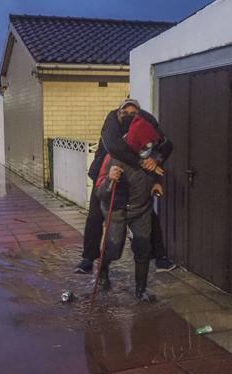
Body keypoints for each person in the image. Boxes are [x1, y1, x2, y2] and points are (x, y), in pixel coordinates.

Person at [75, 99, 175, 274]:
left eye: (133, 113)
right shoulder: (111, 121)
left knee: (147, 214)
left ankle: (159, 256)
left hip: (136, 176)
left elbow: (165, 144)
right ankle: (88, 258)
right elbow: (115, 148)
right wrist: (143, 162)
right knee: (95, 216)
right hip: (108, 172)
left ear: (139, 113)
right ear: (119, 112)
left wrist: (155, 160)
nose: (129, 116)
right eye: (124, 113)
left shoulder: (146, 119)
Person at [94, 115, 163, 300]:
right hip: (116, 210)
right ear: (137, 141)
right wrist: (110, 179)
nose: (149, 147)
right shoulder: (114, 158)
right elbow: (100, 194)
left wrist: (156, 183)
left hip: (141, 209)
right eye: (146, 144)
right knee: (114, 251)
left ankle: (141, 290)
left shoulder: (151, 157)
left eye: (151, 144)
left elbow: (155, 173)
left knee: (143, 248)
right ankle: (103, 270)